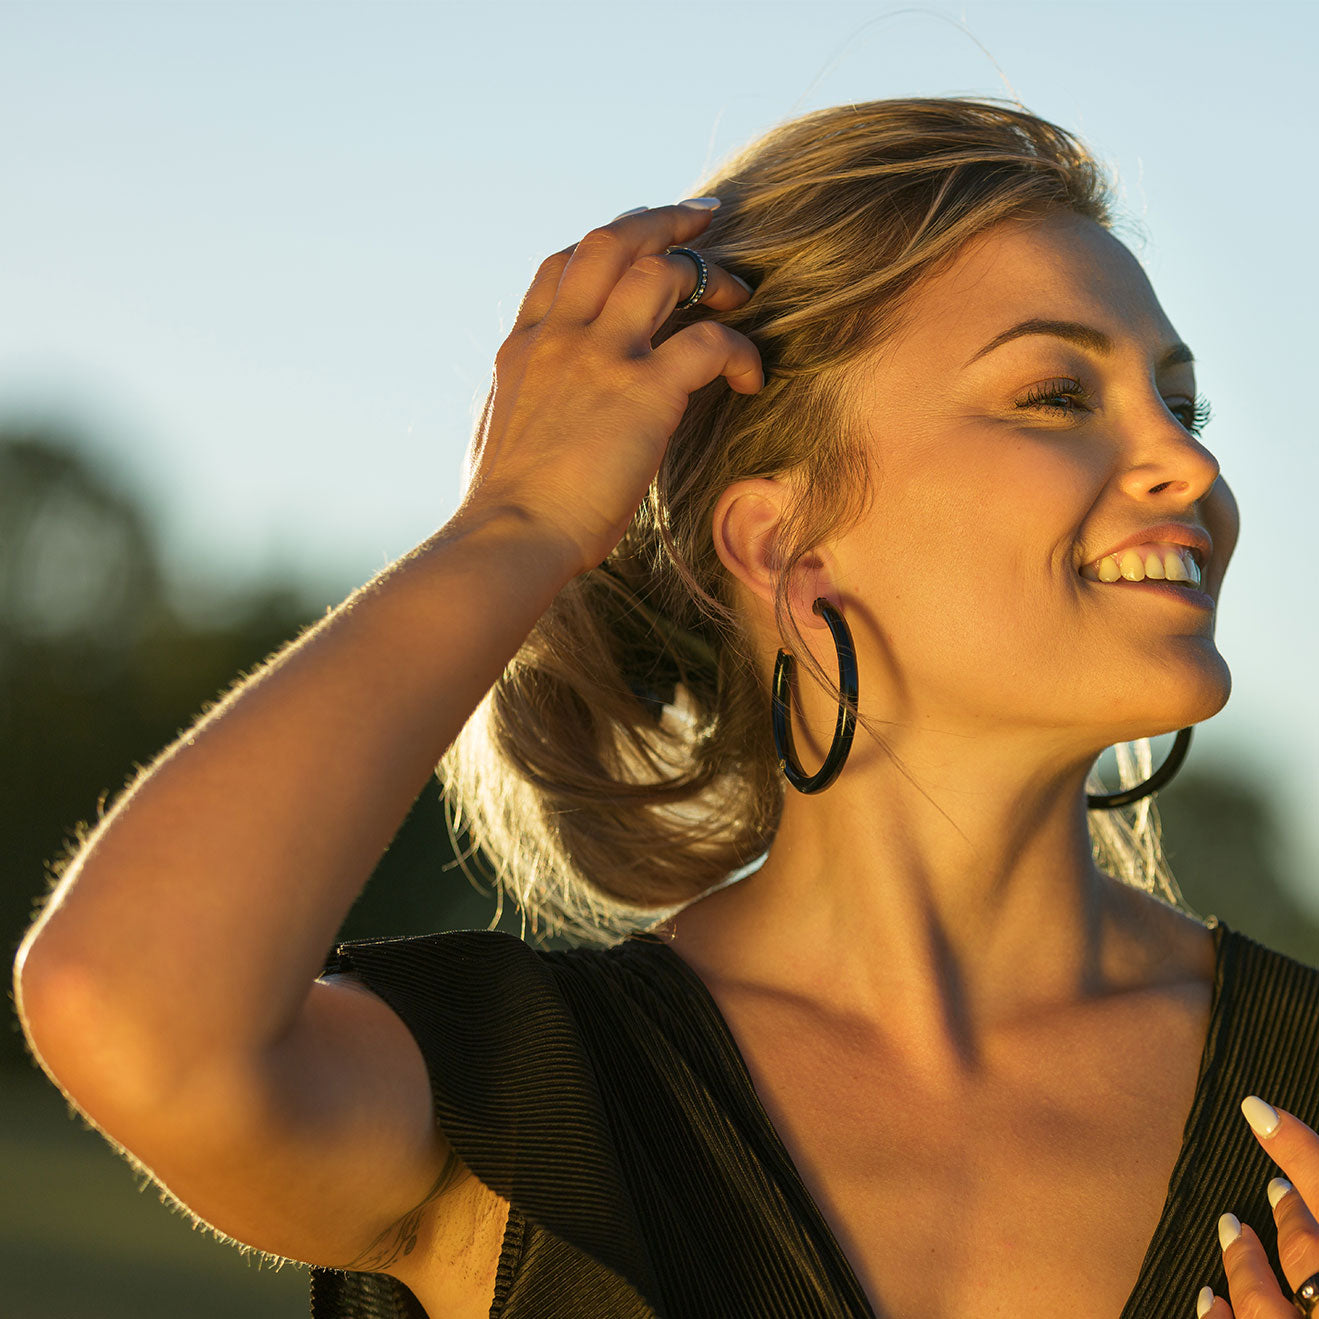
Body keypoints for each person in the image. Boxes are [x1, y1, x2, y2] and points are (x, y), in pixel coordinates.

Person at [12, 97, 1319, 1319]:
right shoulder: (533, 1103)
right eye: (1058, 396)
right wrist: (517, 521)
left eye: (1183, 400)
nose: (1189, 460)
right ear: (783, 547)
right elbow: (125, 1008)